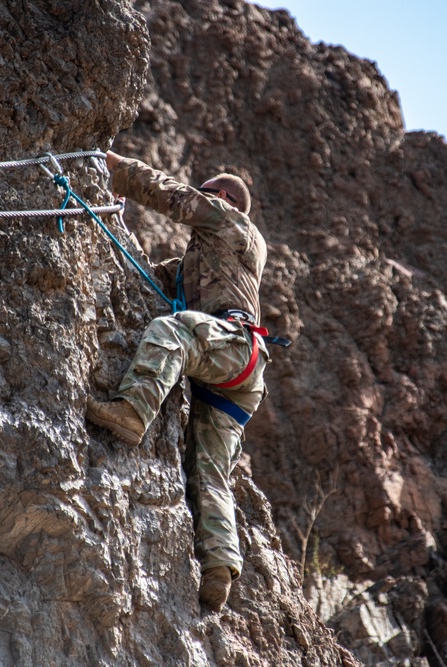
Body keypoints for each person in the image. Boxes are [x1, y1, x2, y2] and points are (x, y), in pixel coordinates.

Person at [86, 150, 269, 611]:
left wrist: (109, 164)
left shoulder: (235, 224)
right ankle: (219, 570)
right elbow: (145, 276)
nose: (201, 197)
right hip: (237, 374)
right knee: (209, 469)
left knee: (175, 329)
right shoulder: (195, 266)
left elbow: (172, 195)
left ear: (223, 198)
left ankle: (133, 411)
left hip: (234, 344)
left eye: (207, 192)